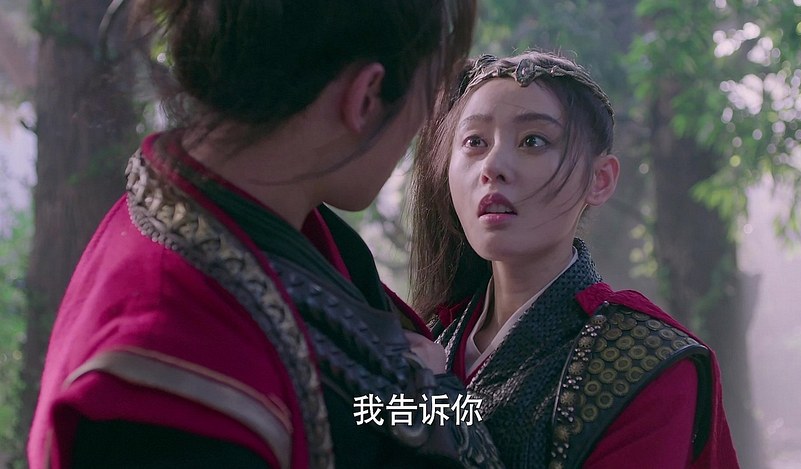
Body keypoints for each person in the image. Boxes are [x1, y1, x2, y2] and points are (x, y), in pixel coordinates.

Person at [28, 1, 504, 468]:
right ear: (365, 97)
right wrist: (435, 392)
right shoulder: (173, 396)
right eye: (426, 100)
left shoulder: (273, 220)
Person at [409, 51, 739, 468]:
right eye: (475, 142)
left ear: (599, 180)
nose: (492, 166)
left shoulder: (643, 365)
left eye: (533, 141)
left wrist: (433, 395)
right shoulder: (431, 336)